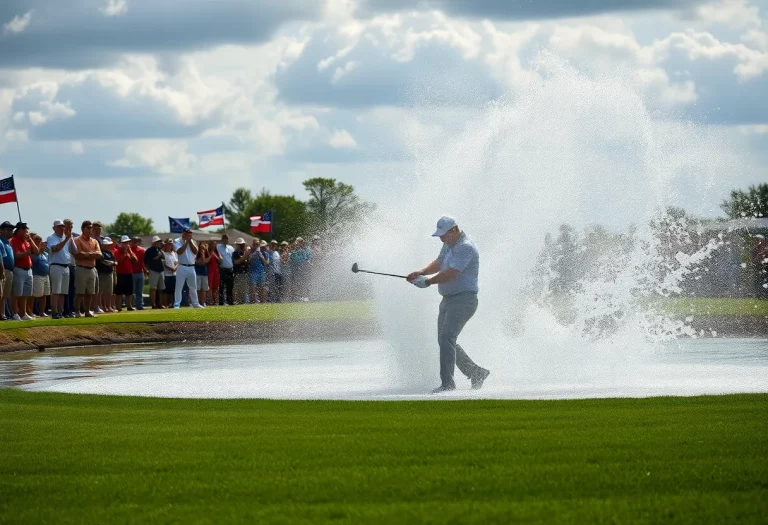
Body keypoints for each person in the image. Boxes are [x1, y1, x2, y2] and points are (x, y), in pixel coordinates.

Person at [407, 215, 490, 393]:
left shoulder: (465, 247)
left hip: (463, 300)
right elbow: (439, 263)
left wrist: (427, 282)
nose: (441, 238)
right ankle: (476, 372)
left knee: (446, 339)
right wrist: (421, 272)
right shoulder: (449, 244)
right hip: (448, 299)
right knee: (444, 340)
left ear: (454, 230)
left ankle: (448, 385)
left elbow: (452, 273)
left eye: (444, 234)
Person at [70, 220, 102, 318]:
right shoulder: (77, 240)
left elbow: (100, 254)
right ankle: (77, 311)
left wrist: (87, 254)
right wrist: (92, 254)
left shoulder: (94, 241)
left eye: (91, 228)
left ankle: (87, 312)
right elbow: (78, 255)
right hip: (81, 268)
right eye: (88, 228)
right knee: (80, 292)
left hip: (92, 268)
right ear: (83, 229)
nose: (90, 230)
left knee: (89, 293)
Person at [10, 222, 40, 320]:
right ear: (19, 230)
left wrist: (30, 239)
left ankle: (23, 314)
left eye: (26, 230)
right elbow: (15, 255)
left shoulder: (26, 242)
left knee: (25, 294)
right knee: (17, 293)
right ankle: (15, 313)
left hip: (28, 269)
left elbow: (36, 251)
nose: (26, 232)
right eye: (24, 230)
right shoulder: (14, 240)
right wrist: (25, 254)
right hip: (18, 269)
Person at [46, 219, 73, 319]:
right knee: (56, 291)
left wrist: (69, 238)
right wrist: (66, 239)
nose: (62, 228)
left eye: (62, 226)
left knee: (63, 292)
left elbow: (74, 250)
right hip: (56, 265)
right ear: (54, 228)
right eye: (59, 226)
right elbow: (55, 249)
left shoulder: (66, 238)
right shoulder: (51, 238)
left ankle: (60, 312)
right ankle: (54, 312)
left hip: (66, 266)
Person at [173, 228, 202, 309]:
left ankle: (195, 303)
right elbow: (179, 251)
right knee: (179, 287)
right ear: (183, 233)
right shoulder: (177, 241)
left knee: (193, 287)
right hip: (181, 266)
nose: (189, 235)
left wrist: (190, 242)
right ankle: (177, 304)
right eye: (187, 233)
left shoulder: (193, 241)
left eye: (190, 233)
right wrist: (186, 242)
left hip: (191, 267)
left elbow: (195, 251)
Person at [114, 235, 137, 311]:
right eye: (124, 243)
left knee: (129, 291)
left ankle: (129, 306)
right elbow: (118, 261)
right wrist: (124, 253)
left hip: (129, 273)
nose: (126, 244)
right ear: (121, 244)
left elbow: (135, 261)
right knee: (119, 292)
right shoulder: (117, 252)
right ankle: (118, 307)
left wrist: (130, 253)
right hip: (120, 273)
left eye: (127, 243)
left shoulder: (130, 251)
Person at [31, 235, 50, 317]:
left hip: (46, 276)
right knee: (35, 295)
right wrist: (39, 250)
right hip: (37, 275)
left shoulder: (45, 254)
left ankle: (42, 312)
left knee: (44, 295)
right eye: (36, 239)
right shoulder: (33, 252)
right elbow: (34, 259)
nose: (39, 241)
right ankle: (30, 311)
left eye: (40, 240)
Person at [96, 237, 117, 313]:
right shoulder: (100, 252)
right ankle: (101, 306)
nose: (108, 246)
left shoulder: (110, 253)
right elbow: (103, 261)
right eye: (106, 245)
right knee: (101, 291)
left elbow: (115, 261)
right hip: (102, 273)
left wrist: (112, 263)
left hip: (109, 272)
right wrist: (111, 263)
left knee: (109, 291)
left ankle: (108, 306)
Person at [144, 236, 165, 309]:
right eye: (157, 242)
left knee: (160, 289)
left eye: (159, 241)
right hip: (153, 270)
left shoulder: (159, 249)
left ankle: (160, 303)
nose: (158, 243)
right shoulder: (149, 251)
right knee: (153, 288)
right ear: (153, 242)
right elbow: (150, 260)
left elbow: (163, 257)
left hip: (160, 270)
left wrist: (161, 252)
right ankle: (153, 304)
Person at [290, 237, 313, 301]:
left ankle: (307, 297)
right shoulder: (297, 251)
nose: (297, 244)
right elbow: (294, 259)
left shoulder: (308, 249)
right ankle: (302, 297)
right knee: (300, 284)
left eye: (299, 242)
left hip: (306, 269)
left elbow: (308, 259)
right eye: (297, 242)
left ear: (302, 242)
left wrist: (307, 263)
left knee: (306, 283)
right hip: (299, 270)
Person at [0, 221, 15, 320]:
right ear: (1, 231)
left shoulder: (8, 243)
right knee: (0, 294)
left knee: (5, 295)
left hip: (9, 270)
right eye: (8, 230)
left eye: (12, 230)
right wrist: (1, 271)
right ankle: (1, 314)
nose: (11, 232)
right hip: (3, 270)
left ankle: (3, 314)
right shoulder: (0, 241)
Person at [249, 239, 269, 304]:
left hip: (261, 273)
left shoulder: (264, 253)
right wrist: (254, 254)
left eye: (257, 244)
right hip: (253, 273)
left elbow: (266, 263)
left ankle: (262, 303)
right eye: (254, 244)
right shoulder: (250, 252)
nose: (255, 245)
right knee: (253, 289)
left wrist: (260, 255)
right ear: (252, 245)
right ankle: (253, 303)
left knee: (262, 289)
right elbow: (249, 261)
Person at [217, 235, 235, 306]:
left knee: (230, 286)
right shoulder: (218, 247)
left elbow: (232, 258)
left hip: (230, 269)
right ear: (222, 239)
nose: (225, 240)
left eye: (226, 238)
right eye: (224, 238)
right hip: (222, 269)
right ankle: (221, 301)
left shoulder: (230, 248)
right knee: (221, 286)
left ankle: (230, 301)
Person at [232, 238, 250, 304]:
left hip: (245, 273)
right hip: (239, 273)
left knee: (244, 289)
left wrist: (246, 255)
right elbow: (238, 262)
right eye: (242, 244)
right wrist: (246, 255)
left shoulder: (243, 252)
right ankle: (239, 301)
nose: (243, 245)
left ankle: (243, 302)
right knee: (239, 289)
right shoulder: (235, 253)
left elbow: (248, 261)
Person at [130, 237, 146, 310]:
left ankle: (139, 305)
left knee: (139, 291)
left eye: (136, 241)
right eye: (133, 241)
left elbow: (142, 262)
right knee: (132, 290)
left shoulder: (142, 250)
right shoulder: (129, 250)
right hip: (132, 272)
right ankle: (131, 305)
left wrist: (145, 270)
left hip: (140, 272)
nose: (135, 243)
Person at [162, 239, 178, 308]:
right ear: (165, 244)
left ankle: (171, 304)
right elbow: (164, 264)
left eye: (171, 244)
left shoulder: (174, 253)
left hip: (173, 274)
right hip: (166, 274)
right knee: (165, 291)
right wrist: (171, 269)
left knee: (172, 290)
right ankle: (165, 304)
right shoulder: (163, 253)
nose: (170, 245)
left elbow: (176, 262)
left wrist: (175, 268)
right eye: (169, 244)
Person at [195, 241, 211, 306]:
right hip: (198, 273)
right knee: (198, 289)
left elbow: (206, 260)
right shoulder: (196, 255)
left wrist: (205, 252)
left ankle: (202, 302)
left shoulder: (207, 254)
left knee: (204, 289)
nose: (203, 247)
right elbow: (201, 262)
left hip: (204, 274)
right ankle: (197, 302)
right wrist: (202, 254)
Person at [207, 240, 221, 307]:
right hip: (210, 270)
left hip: (216, 270)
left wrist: (215, 254)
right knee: (210, 287)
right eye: (212, 244)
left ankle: (216, 301)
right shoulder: (207, 252)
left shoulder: (216, 252)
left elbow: (220, 260)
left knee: (216, 287)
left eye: (215, 245)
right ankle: (211, 301)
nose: (214, 246)